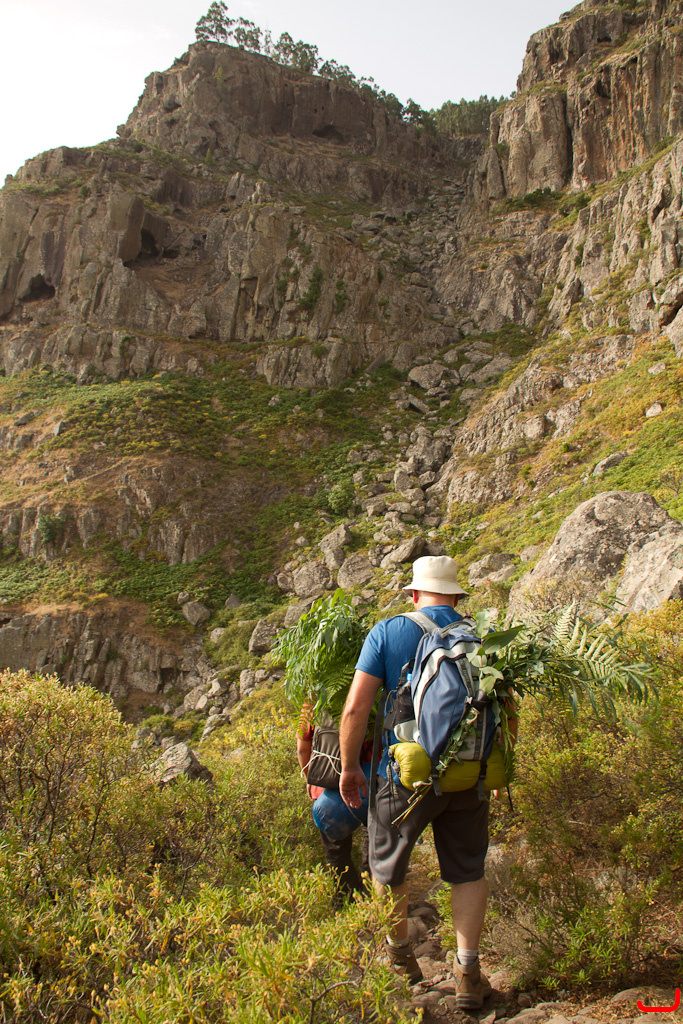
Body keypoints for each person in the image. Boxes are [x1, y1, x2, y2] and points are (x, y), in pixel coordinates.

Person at [339, 555, 507, 1008]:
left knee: (387, 869)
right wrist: (493, 767)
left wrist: (350, 767)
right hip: (468, 775)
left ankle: (401, 962)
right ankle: (468, 972)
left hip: (403, 777)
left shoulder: (388, 632)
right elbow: (505, 707)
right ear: (456, 597)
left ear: (413, 594)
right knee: (467, 871)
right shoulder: (482, 636)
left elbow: (356, 708)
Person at [297, 704, 370, 900]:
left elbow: (303, 748)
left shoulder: (314, 702)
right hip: (366, 783)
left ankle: (346, 900)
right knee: (372, 837)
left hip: (326, 789)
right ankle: (371, 893)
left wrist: (310, 779)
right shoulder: (368, 698)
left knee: (336, 852)